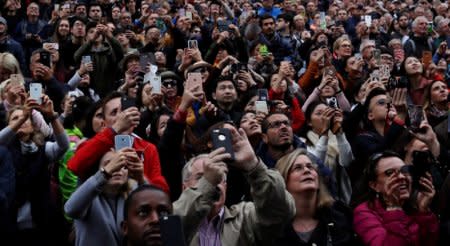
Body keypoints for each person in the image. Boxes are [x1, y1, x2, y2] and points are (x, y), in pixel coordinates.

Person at [174, 126, 295, 245]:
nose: (214, 182)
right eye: (201, 177)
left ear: (225, 186)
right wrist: (207, 183)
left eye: (218, 176)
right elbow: (172, 228)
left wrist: (254, 166)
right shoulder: (172, 215)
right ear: (185, 187)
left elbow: (280, 212)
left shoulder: (244, 218)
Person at [0, 95, 69, 244]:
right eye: (15, 118)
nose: (22, 120)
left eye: (26, 119)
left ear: (33, 125)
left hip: (42, 222)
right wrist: (22, 117)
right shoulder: (4, 151)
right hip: (11, 224)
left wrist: (52, 116)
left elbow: (63, 146)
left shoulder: (42, 150)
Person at [67, 92, 169, 193]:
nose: (122, 116)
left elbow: (162, 192)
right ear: (104, 122)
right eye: (114, 112)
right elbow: (74, 166)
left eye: (124, 111)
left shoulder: (148, 148)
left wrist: (142, 178)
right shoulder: (95, 144)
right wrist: (115, 129)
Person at [352, 151, 439, 245]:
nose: (401, 176)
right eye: (390, 173)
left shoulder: (414, 204)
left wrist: (423, 212)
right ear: (374, 185)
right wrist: (394, 208)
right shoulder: (364, 212)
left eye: (404, 170)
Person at [65, 148, 146, 246]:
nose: (117, 169)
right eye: (109, 164)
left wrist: (141, 179)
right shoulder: (88, 196)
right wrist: (105, 174)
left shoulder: (132, 193)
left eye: (122, 165)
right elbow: (71, 209)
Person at [275, 149, 354, 245]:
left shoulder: (340, 214)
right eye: (298, 168)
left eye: (310, 167)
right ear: (283, 180)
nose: (307, 170)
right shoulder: (273, 226)